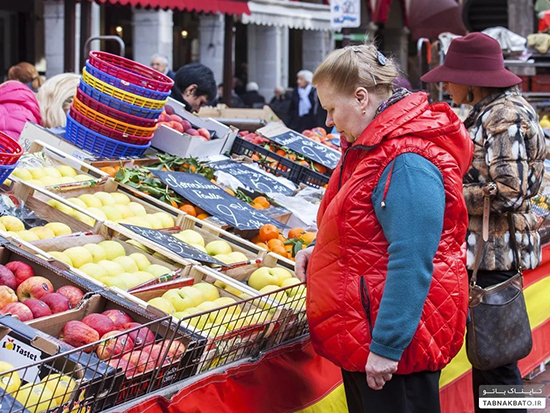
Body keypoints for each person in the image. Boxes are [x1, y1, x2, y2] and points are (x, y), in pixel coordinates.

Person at [294, 43, 473, 413]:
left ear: (361, 98)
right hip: (370, 334)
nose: (328, 121)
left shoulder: (407, 160)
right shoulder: (373, 147)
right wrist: (323, 249)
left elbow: (413, 258)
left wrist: (387, 346)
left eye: (330, 108)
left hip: (395, 350)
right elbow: (369, 229)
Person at [421, 32, 546, 413]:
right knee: (488, 356)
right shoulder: (493, 112)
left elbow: (510, 190)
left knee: (496, 359)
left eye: (451, 76)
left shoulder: (503, 116)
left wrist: (448, 194)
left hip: (493, 257)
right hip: (486, 254)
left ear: (473, 79)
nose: (445, 84)